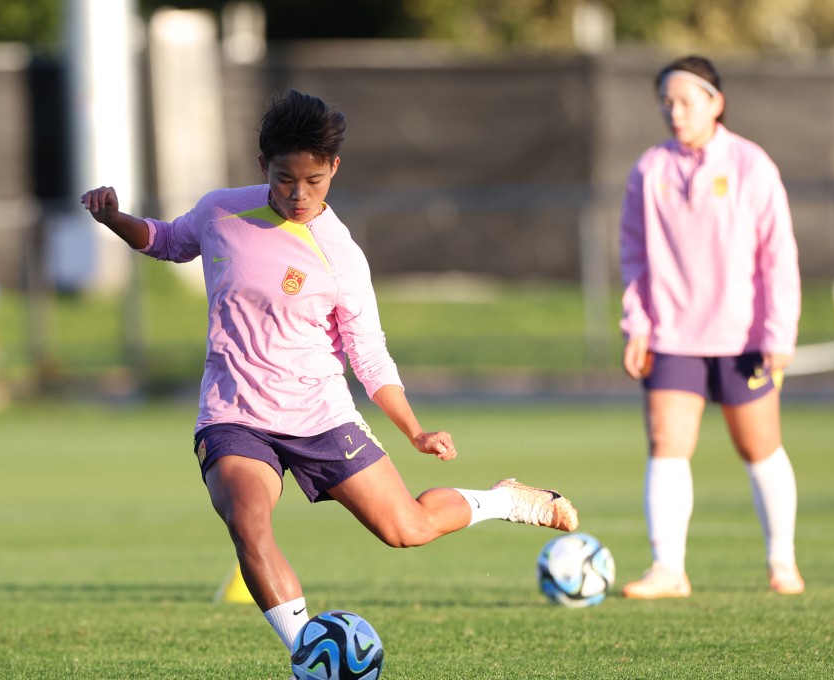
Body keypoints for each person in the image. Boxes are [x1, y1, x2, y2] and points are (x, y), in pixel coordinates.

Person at [80, 88, 579, 651]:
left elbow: (368, 355)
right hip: (234, 416)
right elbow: (169, 241)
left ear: (333, 168)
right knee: (249, 522)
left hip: (320, 415)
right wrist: (115, 218)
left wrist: (415, 430)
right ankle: (308, 654)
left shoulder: (340, 255)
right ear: (262, 164)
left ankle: (505, 499)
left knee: (406, 529)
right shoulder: (222, 210)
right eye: (284, 179)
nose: (298, 194)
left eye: (313, 181)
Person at [617, 56, 803, 599]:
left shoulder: (751, 165)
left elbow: (779, 255)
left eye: (686, 102)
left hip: (742, 338)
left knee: (760, 449)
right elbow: (634, 255)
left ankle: (782, 563)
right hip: (674, 335)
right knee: (666, 442)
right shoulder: (649, 169)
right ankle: (668, 570)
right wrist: (638, 324)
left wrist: (779, 332)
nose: (675, 113)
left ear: (715, 103)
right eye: (666, 104)